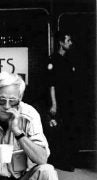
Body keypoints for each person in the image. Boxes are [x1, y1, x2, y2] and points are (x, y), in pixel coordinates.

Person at [47, 31, 78, 171]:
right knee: (61, 131)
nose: (70, 43)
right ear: (60, 42)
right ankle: (61, 161)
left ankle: (69, 159)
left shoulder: (69, 59)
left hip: (70, 101)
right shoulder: (53, 60)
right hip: (59, 102)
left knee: (70, 129)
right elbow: (51, 84)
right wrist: (54, 104)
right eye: (68, 40)